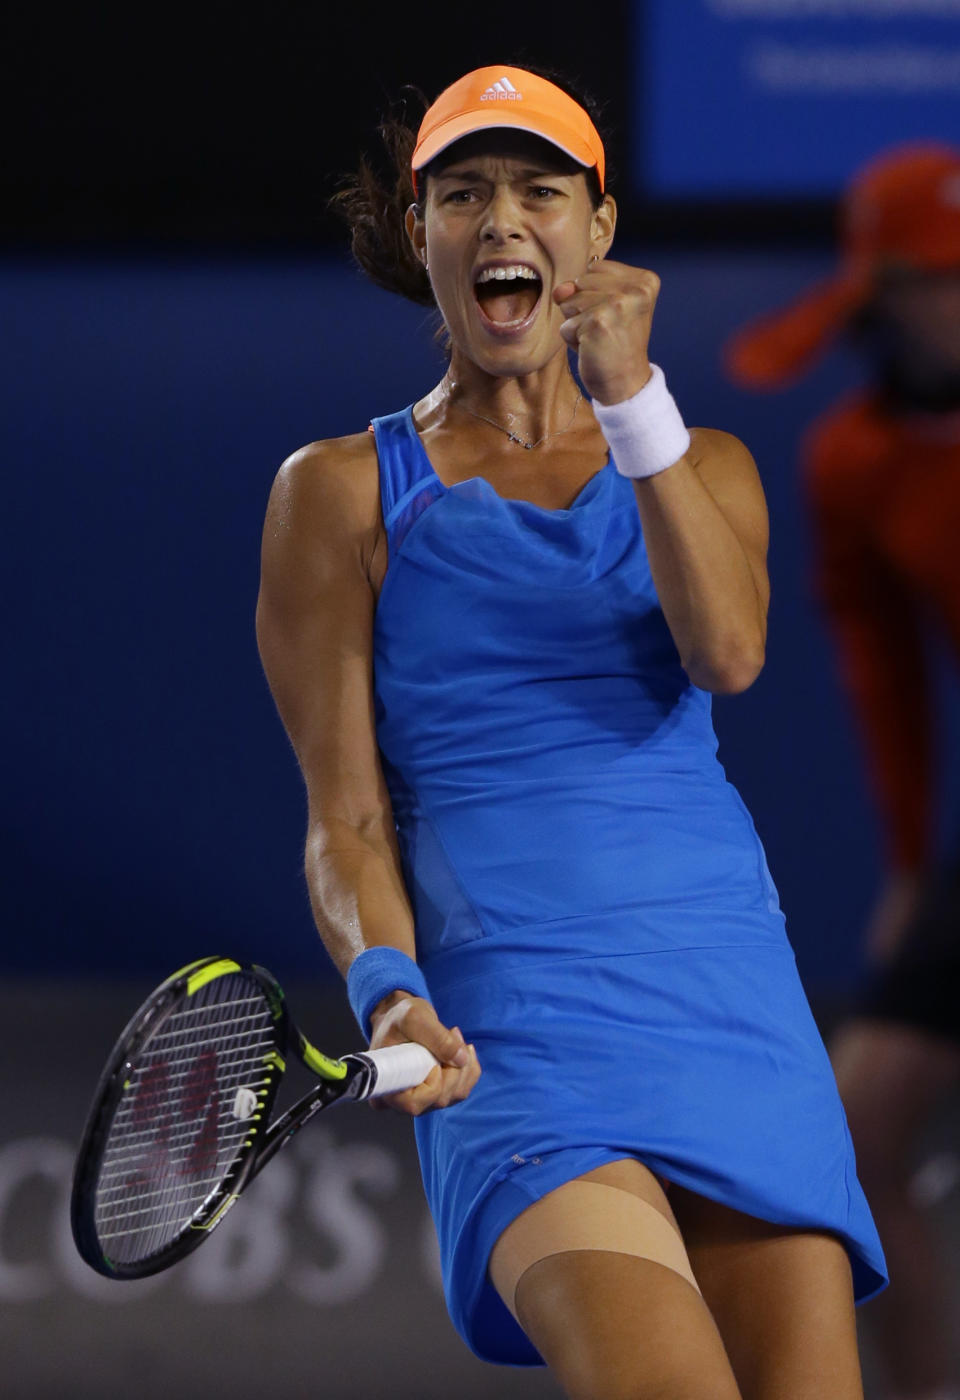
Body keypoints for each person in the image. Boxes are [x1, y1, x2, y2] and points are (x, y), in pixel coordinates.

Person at [256, 64, 887, 1400]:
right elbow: (346, 819)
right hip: (514, 1030)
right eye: (463, 194)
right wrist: (388, 987)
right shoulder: (341, 493)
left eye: (539, 191)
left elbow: (730, 652)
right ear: (418, 232)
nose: (501, 221)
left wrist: (632, 397)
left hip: (727, 1004)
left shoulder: (699, 463)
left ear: (596, 234)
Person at [725, 143, 960, 1400]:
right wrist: (915, 863)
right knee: (848, 1139)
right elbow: (890, 681)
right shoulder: (854, 463)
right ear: (881, 290)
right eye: (938, 277)